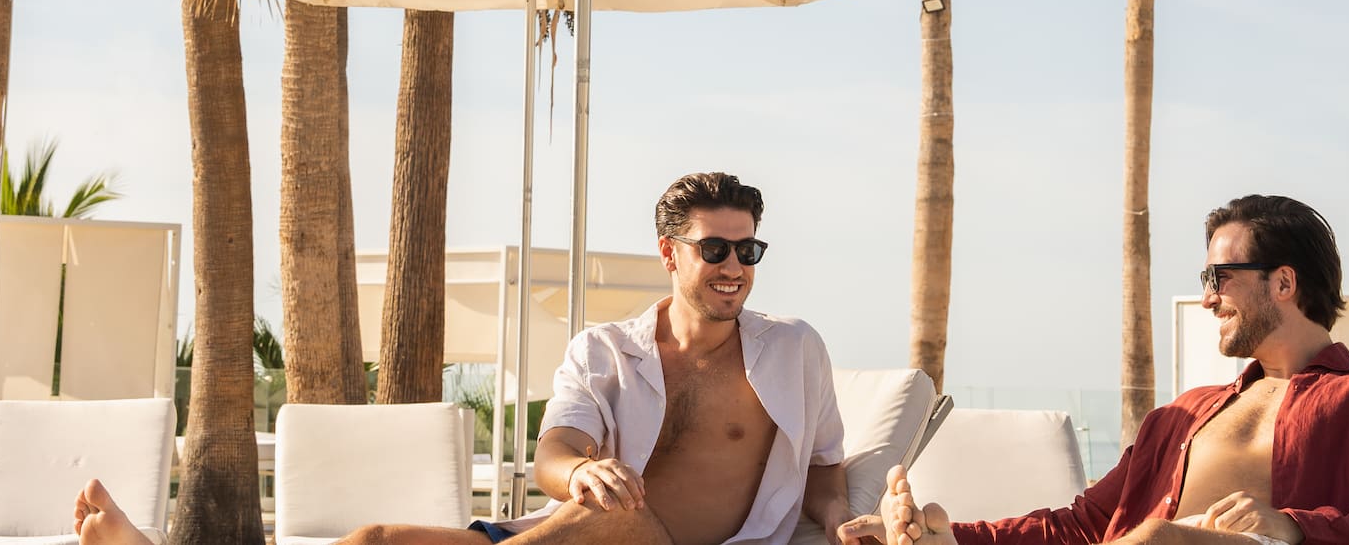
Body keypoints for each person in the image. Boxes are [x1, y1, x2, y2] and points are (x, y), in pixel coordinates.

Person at [73, 170, 853, 545]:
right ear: (669, 255)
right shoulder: (605, 349)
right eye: (714, 247)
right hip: (569, 529)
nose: (735, 266)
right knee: (373, 541)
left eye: (747, 247)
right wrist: (579, 472)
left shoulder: (792, 351)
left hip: (666, 543)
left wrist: (846, 520)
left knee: (621, 521)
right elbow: (556, 449)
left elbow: (821, 467)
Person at [853, 196, 1349, 545]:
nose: (1208, 299)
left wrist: (1289, 527)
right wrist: (955, 536)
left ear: (1285, 282)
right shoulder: (1185, 411)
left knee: (1154, 536)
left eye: (1220, 279)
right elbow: (1083, 525)